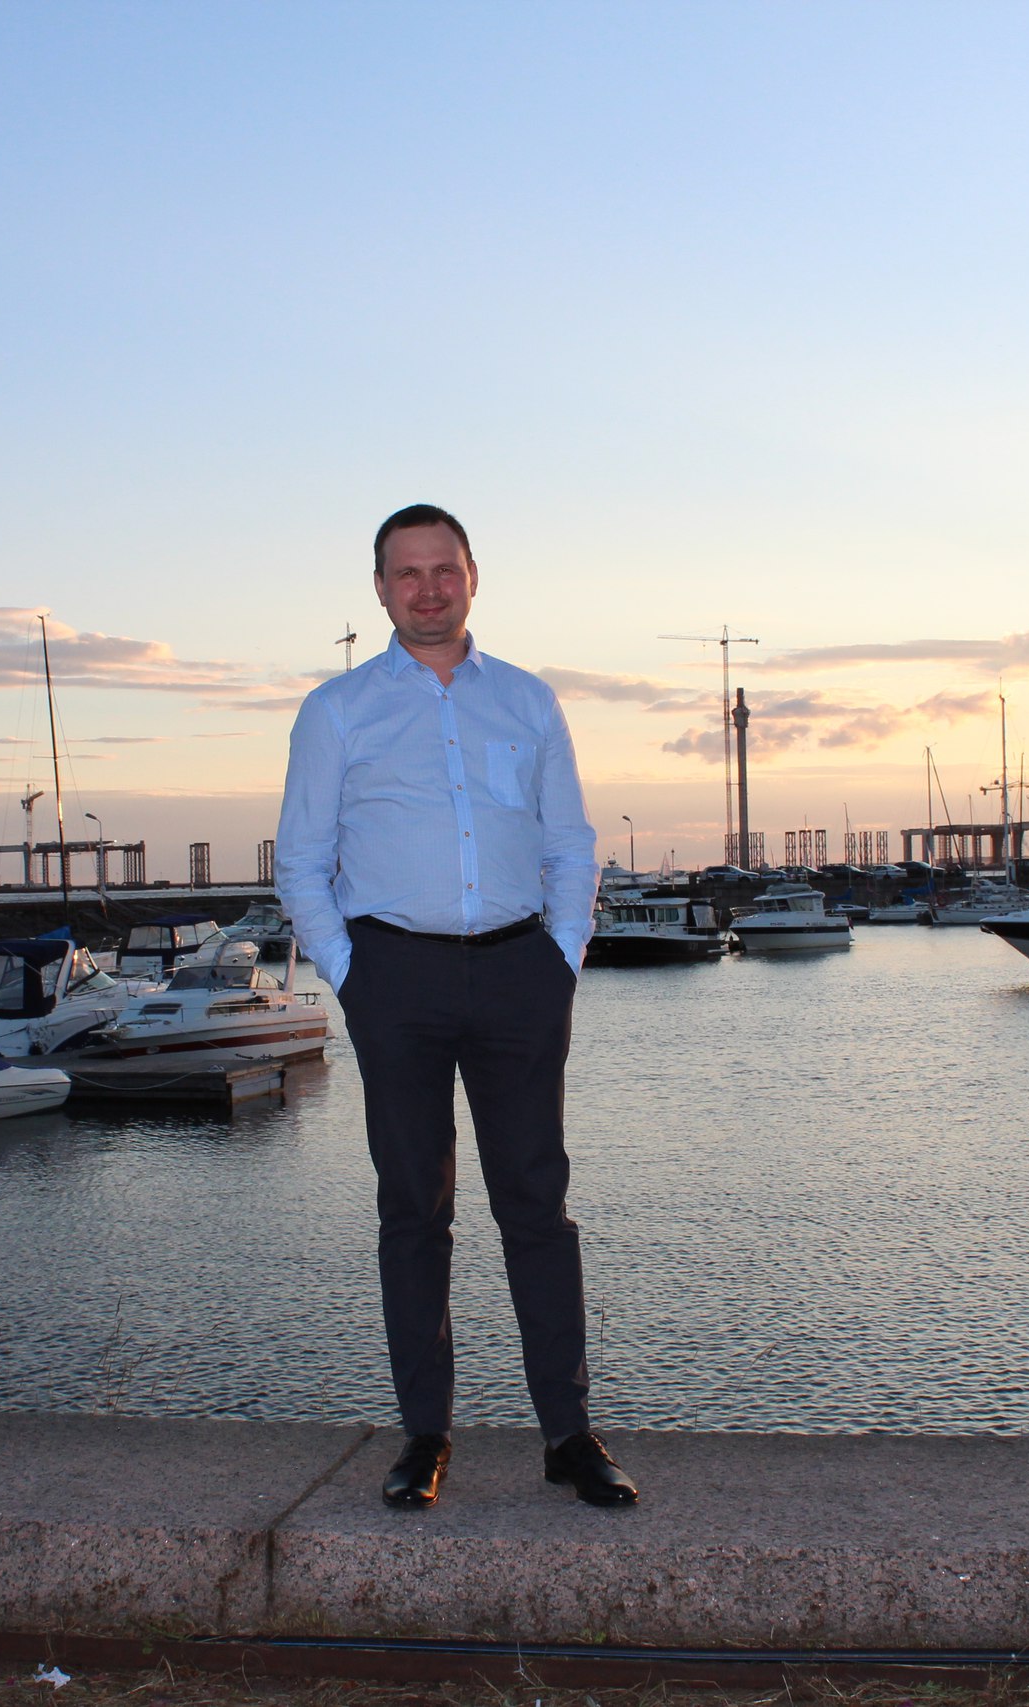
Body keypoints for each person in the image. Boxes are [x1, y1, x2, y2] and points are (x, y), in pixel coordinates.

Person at [275, 503, 636, 1510]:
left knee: (535, 1203)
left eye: (444, 569)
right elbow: (301, 861)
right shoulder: (337, 710)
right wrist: (352, 973)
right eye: (407, 573)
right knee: (412, 1208)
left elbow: (569, 841)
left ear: (472, 577)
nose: (427, 589)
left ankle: (568, 1434)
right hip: (395, 977)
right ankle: (425, 1435)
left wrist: (561, 957)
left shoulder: (527, 701)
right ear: (380, 589)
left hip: (520, 971)